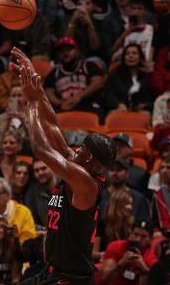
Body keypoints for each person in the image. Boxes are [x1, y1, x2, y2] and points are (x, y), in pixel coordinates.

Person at [11, 47, 117, 284]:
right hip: (51, 272)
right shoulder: (79, 169)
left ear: (89, 160)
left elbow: (40, 149)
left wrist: (29, 104)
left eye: (81, 149)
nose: (75, 149)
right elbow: (52, 127)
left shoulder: (86, 184)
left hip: (70, 279)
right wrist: (36, 89)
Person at [43, 36, 106, 119]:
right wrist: (60, 103)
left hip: (88, 107)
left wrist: (79, 97)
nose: (65, 53)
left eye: (69, 50)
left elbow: (98, 82)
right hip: (64, 109)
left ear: (77, 51)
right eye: (61, 51)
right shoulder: (54, 73)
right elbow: (48, 91)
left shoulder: (88, 66)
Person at [100, 220, 157, 285]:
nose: (138, 239)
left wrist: (143, 269)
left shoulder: (151, 257)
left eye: (143, 236)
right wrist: (120, 265)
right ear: (130, 234)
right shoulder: (115, 246)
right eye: (136, 234)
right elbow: (105, 277)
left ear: (150, 239)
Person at [105, 43, 154, 114]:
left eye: (134, 53)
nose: (130, 56)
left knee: (146, 114)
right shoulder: (115, 74)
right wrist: (118, 104)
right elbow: (109, 95)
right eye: (127, 54)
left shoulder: (145, 76)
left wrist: (145, 105)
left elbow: (151, 98)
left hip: (139, 111)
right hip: (119, 109)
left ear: (140, 58)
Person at [100, 157, 150, 222]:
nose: (114, 173)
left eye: (119, 170)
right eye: (112, 169)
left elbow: (144, 223)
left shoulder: (139, 198)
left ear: (127, 173)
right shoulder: (100, 196)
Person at [93, 189, 133, 262]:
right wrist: (106, 255)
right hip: (105, 262)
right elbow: (93, 253)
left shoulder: (129, 224)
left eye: (131, 204)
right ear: (117, 204)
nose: (130, 207)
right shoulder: (102, 223)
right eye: (127, 203)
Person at [24, 159, 58, 228]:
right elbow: (31, 221)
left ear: (52, 168)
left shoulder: (66, 186)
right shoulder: (32, 193)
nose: (40, 173)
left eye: (44, 168)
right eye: (36, 170)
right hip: (46, 234)